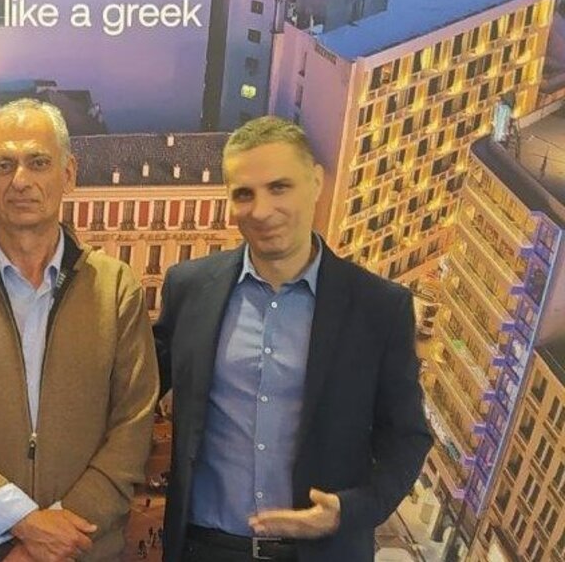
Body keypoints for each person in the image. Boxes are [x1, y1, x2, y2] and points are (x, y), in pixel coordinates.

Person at [153, 116, 432, 561]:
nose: (262, 210)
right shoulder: (188, 288)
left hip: (323, 551)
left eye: (279, 187)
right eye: (244, 194)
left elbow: (407, 438)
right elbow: (131, 391)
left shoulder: (380, 308)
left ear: (316, 182)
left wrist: (347, 511)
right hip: (205, 548)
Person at [0, 99, 158, 561]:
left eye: (38, 162)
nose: (20, 180)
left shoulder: (116, 288)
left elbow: (133, 424)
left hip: (82, 549)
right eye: (3, 165)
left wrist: (56, 536)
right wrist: (23, 523)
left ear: (69, 174)